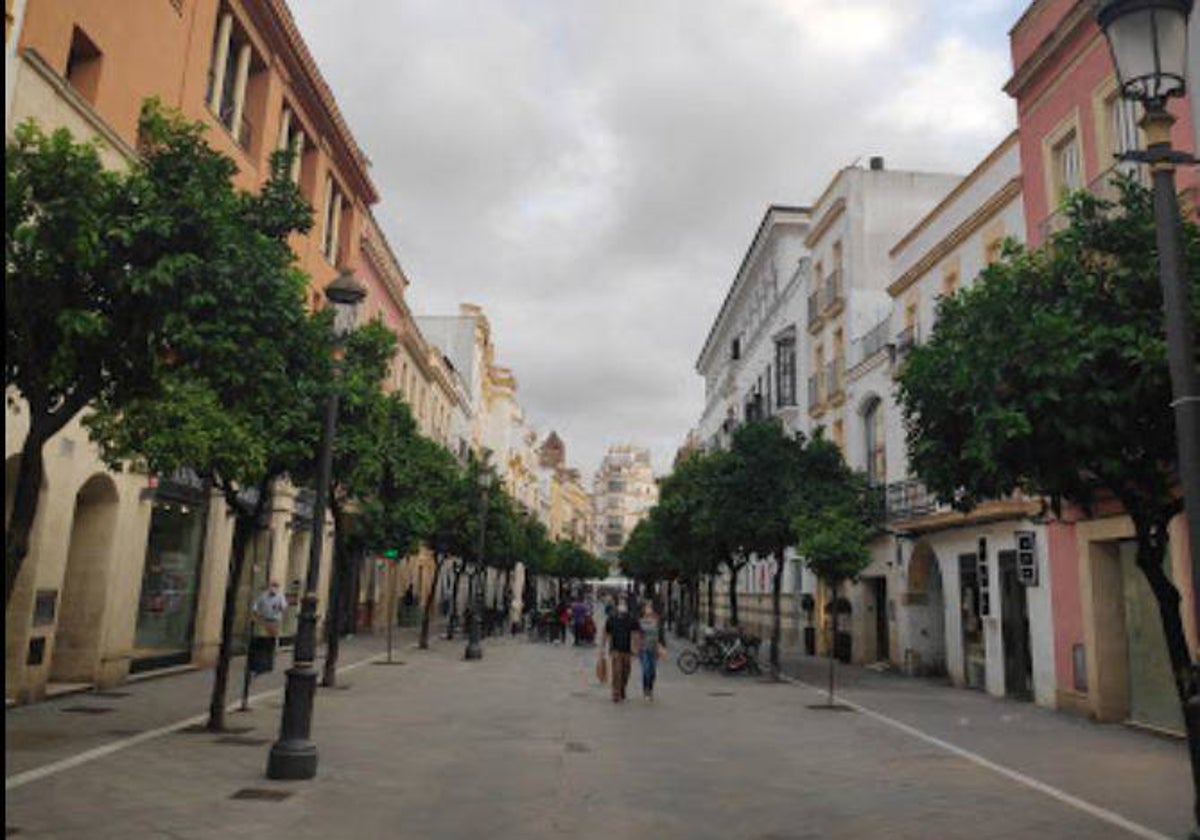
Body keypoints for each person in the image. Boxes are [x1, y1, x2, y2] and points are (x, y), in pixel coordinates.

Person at [601, 597, 641, 703]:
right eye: (620, 603)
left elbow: (636, 634)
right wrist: (603, 648)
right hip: (615, 650)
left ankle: (622, 688)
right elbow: (606, 632)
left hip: (628, 650)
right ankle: (616, 693)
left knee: (626, 672)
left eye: (624, 603)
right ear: (617, 606)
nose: (622, 606)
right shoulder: (611, 618)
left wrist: (636, 648)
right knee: (616, 671)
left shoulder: (631, 619)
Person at [636, 601, 665, 700]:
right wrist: (637, 647)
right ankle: (646, 691)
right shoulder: (640, 621)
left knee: (652, 671)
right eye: (647, 607)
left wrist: (661, 646)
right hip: (644, 649)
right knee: (646, 670)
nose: (648, 609)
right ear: (643, 609)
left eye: (650, 607)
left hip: (654, 649)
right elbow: (637, 635)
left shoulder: (656, 619)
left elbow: (660, 635)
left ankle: (650, 689)